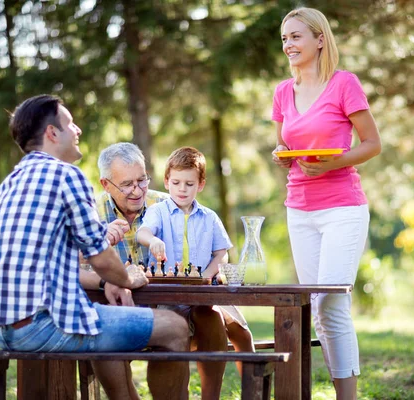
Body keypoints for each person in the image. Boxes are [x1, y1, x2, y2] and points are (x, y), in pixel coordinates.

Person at [0, 94, 190, 400]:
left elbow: (56, 261)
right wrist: (126, 278)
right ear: (52, 133)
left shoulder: (11, 183)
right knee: (174, 326)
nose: (77, 130)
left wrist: (108, 280)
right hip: (43, 325)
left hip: (3, 328)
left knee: (104, 317)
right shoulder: (65, 175)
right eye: (70, 123)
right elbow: (100, 256)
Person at [271, 8, 382, 400]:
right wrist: (281, 152)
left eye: (296, 37)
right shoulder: (284, 91)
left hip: (341, 209)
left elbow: (372, 143)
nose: (289, 45)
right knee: (315, 307)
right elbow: (285, 142)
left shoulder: (344, 84)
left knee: (332, 304)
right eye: (285, 38)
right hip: (299, 208)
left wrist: (333, 162)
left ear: (320, 39)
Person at [137, 146, 255, 397]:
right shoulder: (158, 212)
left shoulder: (210, 217)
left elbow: (221, 253)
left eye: (189, 183)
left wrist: (209, 274)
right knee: (179, 332)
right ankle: (180, 390)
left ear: (200, 184)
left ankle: (249, 391)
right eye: (176, 182)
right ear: (166, 182)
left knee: (240, 331)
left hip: (205, 294)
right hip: (170, 298)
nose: (182, 189)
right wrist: (152, 241)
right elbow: (142, 232)